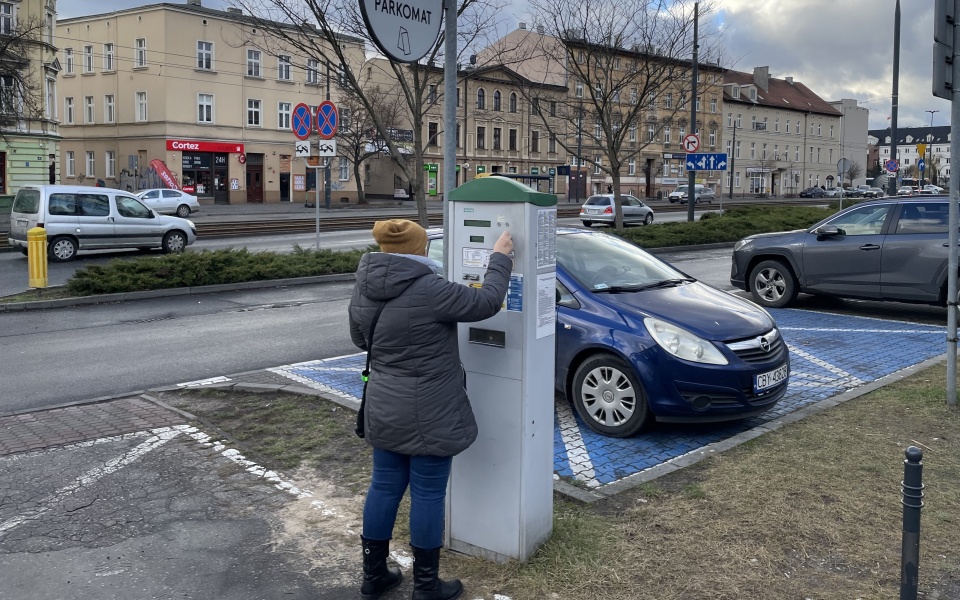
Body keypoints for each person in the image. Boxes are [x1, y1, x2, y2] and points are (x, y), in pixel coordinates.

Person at [348, 219, 513, 600]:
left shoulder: (364, 287)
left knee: (384, 487)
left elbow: (361, 340)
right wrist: (500, 259)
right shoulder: (431, 288)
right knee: (427, 494)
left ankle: (374, 577)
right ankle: (425, 586)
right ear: (421, 250)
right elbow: (486, 302)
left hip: (384, 405)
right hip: (432, 409)